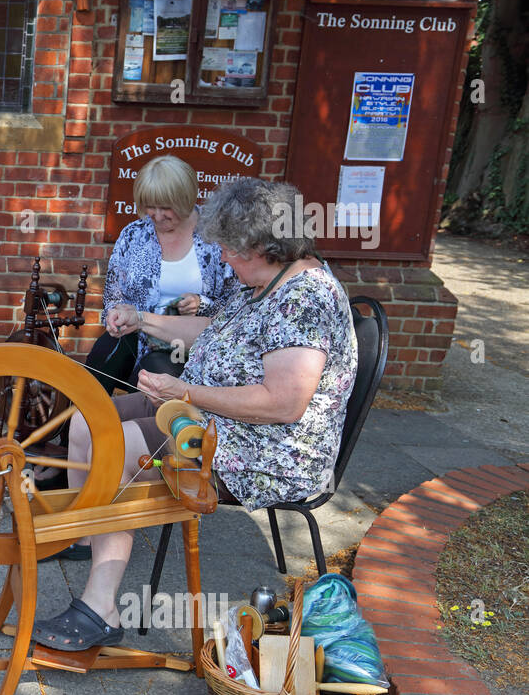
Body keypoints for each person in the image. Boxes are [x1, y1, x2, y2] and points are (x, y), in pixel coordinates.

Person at [34, 177, 358, 650]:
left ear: (261, 246)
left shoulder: (304, 297)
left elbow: (283, 404)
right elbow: (211, 326)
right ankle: (88, 534)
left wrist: (187, 390)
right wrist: (142, 320)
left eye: (229, 248)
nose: (222, 257)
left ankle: (100, 607)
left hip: (263, 449)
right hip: (206, 412)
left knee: (115, 447)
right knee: (89, 420)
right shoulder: (269, 280)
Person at [87, 155, 239, 393]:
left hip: (185, 345)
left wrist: (202, 304)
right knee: (102, 356)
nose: (157, 215)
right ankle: (76, 427)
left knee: (154, 372)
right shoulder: (133, 235)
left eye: (166, 207)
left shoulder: (216, 236)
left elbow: (238, 307)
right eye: (150, 206)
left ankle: (136, 428)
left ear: (185, 199)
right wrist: (115, 315)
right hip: (135, 336)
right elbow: (114, 295)